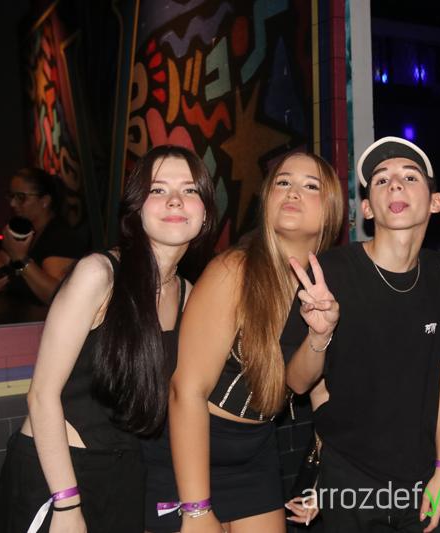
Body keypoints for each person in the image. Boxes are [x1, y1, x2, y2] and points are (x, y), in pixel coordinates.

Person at [0, 145, 217, 533]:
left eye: (189, 189)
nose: (175, 200)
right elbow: (41, 395)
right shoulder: (99, 274)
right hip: (57, 474)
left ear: (205, 212)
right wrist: (67, 504)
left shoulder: (188, 295)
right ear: (136, 207)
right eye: (158, 189)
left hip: (125, 474)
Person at [283, 136, 440, 533]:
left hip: (424, 481)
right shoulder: (331, 272)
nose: (394, 185)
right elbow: (297, 382)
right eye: (381, 180)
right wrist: (320, 334)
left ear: (435, 202)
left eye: (409, 177)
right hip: (350, 479)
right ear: (366, 208)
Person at [167, 152, 343, 533]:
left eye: (310, 186)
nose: (293, 192)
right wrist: (196, 508)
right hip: (195, 449)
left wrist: (327, 475)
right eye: (283, 182)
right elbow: (186, 389)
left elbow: (311, 388)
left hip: (257, 450)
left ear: (330, 210)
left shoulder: (327, 287)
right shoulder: (234, 270)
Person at [0, 168, 87, 304]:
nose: (12, 203)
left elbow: (55, 295)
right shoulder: (23, 232)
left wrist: (21, 259)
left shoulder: (61, 237)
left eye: (21, 197)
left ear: (45, 201)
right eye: (11, 196)